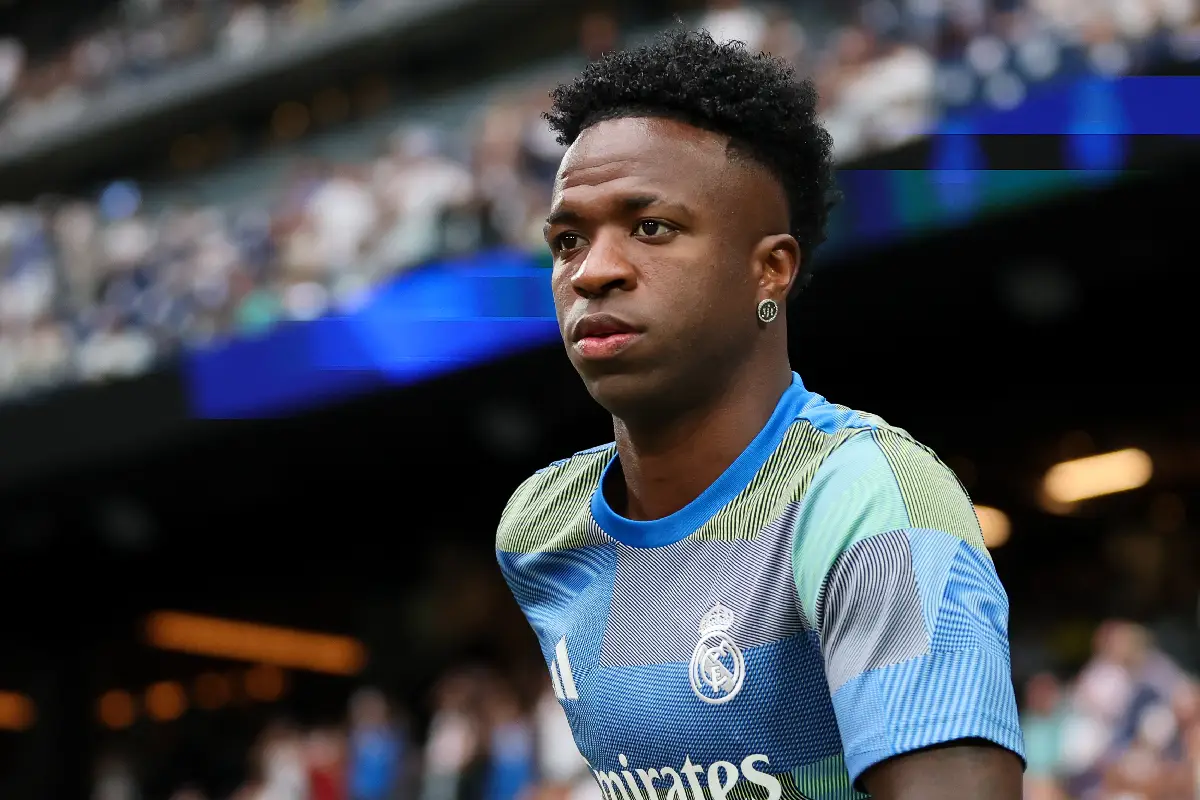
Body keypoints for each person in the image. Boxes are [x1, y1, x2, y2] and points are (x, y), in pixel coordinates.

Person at [494, 28, 1025, 800]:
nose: (593, 271)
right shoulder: (542, 529)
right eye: (568, 239)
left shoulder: (864, 501)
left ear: (769, 268)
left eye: (652, 228)